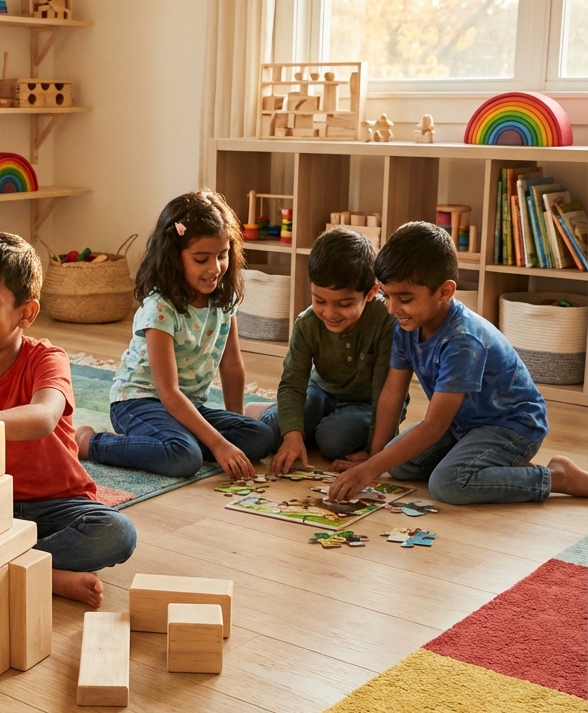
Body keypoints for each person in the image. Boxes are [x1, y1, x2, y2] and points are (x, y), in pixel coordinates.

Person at [329, 221, 588, 504]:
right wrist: (375, 458)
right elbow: (392, 394)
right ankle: (492, 466)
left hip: (512, 426)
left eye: (404, 298)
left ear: (444, 292)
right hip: (462, 425)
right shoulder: (406, 326)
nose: (392, 308)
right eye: (386, 296)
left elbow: (434, 425)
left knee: (448, 484)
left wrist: (369, 470)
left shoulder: (463, 340)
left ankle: (557, 476)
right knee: (399, 465)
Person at [0, 233, 137, 608]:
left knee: (116, 532)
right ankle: (36, 571)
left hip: (56, 505)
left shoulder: (46, 359)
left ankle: (3, 568)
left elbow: (42, 417)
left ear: (26, 314)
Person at [77, 191, 274, 480]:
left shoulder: (224, 299)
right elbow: (167, 392)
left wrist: (235, 426)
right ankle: (89, 443)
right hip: (138, 403)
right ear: (175, 257)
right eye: (201, 259)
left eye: (222, 255)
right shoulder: (160, 309)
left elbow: (231, 366)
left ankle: (169, 440)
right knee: (183, 457)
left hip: (188, 405)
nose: (214, 268)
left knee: (260, 436)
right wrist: (219, 445)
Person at [250, 228, 400, 475]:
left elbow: (388, 391)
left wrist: (376, 453)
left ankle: (314, 426)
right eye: (319, 301)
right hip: (321, 391)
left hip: (368, 402)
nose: (329, 313)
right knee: (274, 434)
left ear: (372, 292)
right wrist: (292, 436)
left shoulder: (387, 322)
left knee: (334, 441)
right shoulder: (307, 323)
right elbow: (292, 383)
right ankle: (266, 410)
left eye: (344, 304)